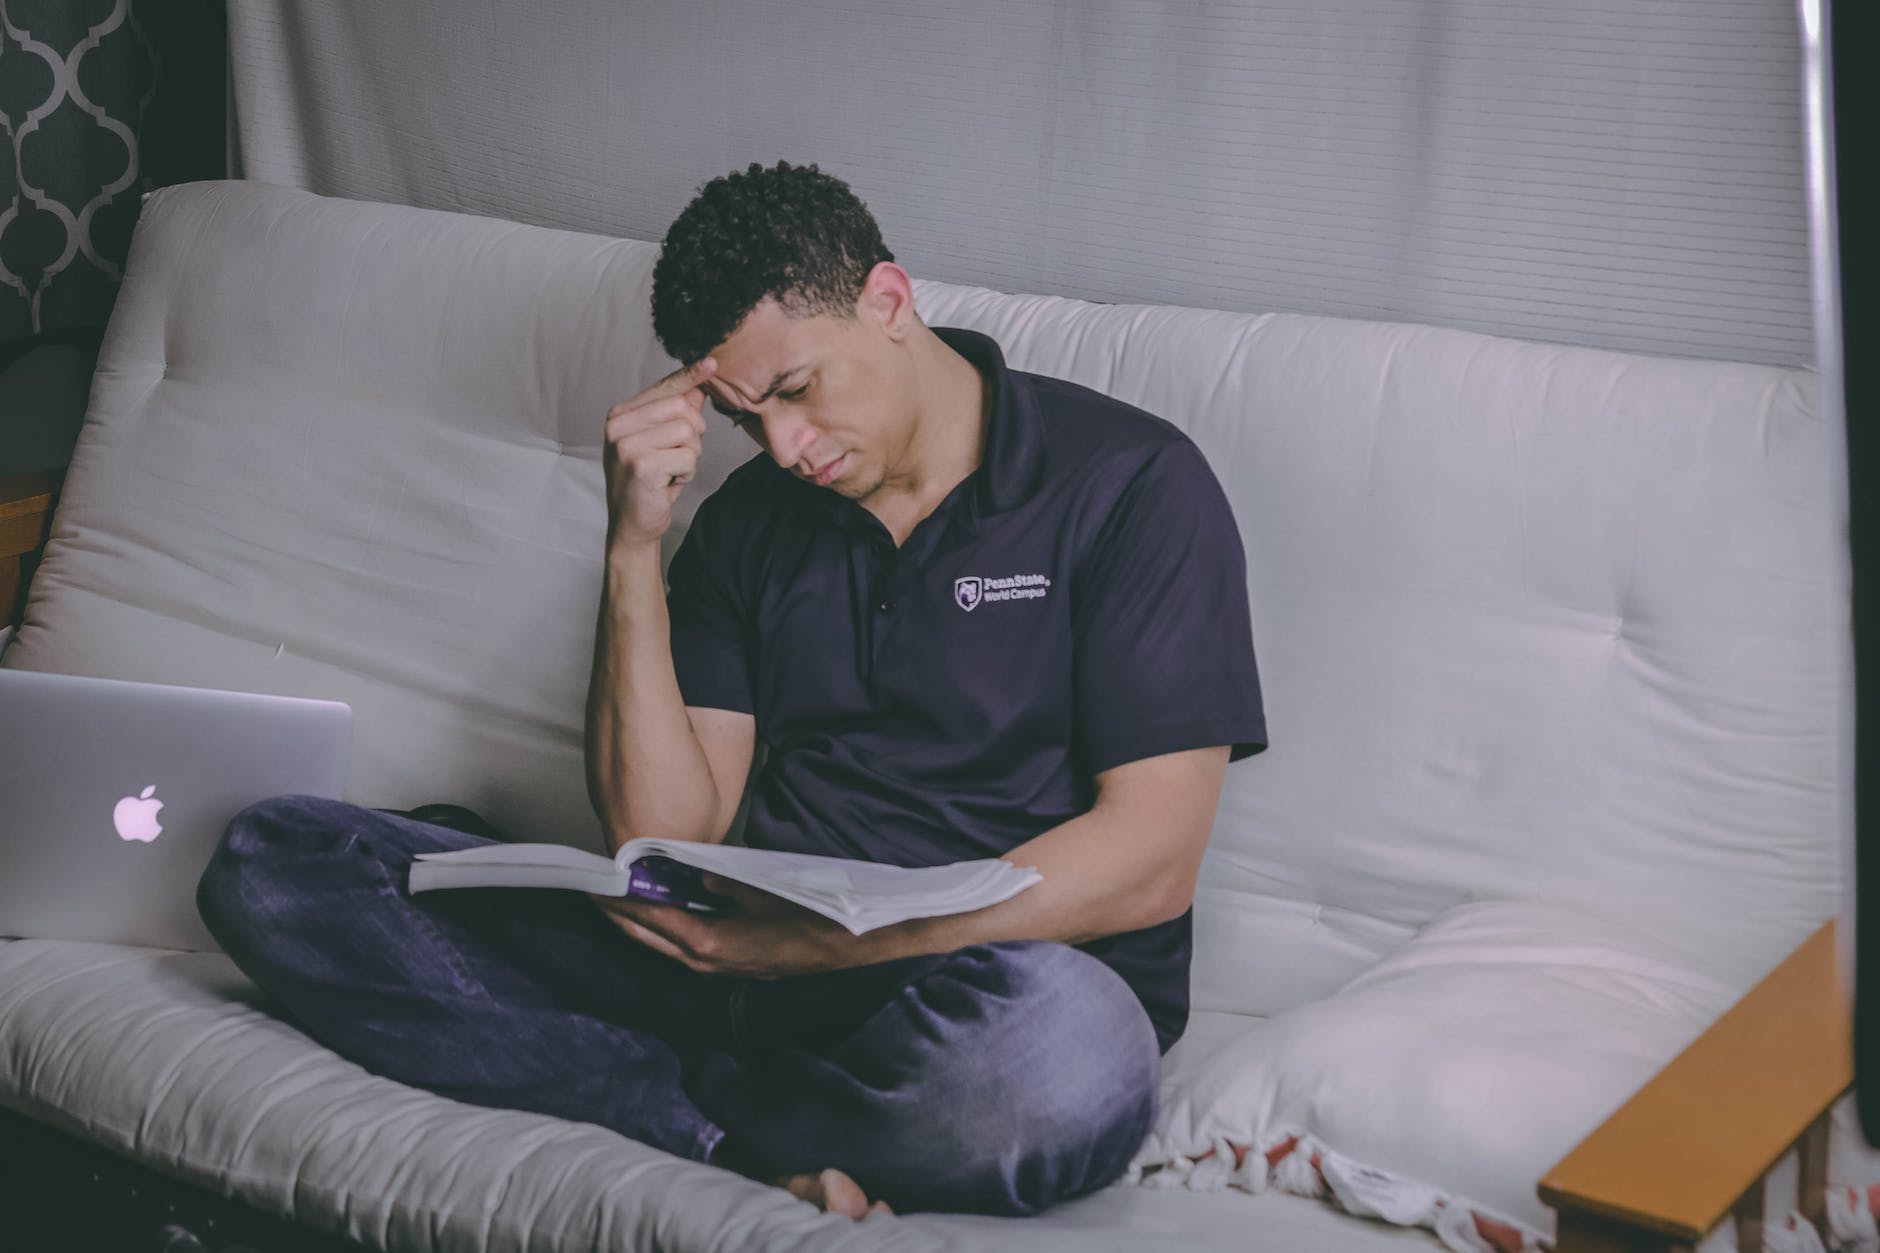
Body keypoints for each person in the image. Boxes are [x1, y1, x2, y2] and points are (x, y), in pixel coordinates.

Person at [196, 160, 1266, 1221]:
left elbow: (1150, 859)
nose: (784, 447)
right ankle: (715, 1125)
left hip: (962, 992)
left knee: (1065, 1062)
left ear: (888, 301)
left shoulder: (1128, 483)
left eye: (797, 391)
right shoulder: (750, 520)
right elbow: (662, 832)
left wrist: (830, 943)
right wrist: (633, 543)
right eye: (746, 417)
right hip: (730, 964)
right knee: (277, 859)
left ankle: (681, 1101)